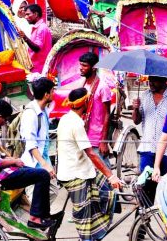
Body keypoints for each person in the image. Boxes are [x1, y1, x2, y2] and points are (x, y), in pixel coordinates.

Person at [0, 99, 52, 229]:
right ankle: (36, 217)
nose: (5, 123)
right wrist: (14, 161)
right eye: (5, 120)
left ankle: (40, 214)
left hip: (1, 172)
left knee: (34, 172)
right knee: (42, 175)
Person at [56, 87, 122, 241]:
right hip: (75, 175)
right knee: (85, 216)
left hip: (78, 169)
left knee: (105, 191)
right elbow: (91, 153)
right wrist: (111, 175)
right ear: (85, 102)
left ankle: (96, 230)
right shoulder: (75, 123)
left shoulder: (66, 118)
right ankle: (87, 237)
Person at [132, 75, 167, 175]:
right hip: (147, 148)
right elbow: (136, 121)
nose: (150, 83)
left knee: (165, 185)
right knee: (145, 185)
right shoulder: (144, 96)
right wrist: (135, 108)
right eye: (149, 80)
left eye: (154, 80)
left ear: (165, 80)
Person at [78, 51, 115, 158]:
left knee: (104, 170)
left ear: (94, 67)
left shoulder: (103, 87)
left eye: (84, 65)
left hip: (96, 138)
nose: (81, 68)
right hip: (83, 135)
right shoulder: (82, 85)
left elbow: (107, 114)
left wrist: (103, 141)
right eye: (80, 64)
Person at [20, 77, 56, 175]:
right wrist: (44, 164)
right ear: (46, 95)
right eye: (52, 91)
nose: (54, 94)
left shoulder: (43, 111)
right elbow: (30, 143)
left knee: (53, 190)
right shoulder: (31, 114)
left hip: (44, 161)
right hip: (35, 165)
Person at [24, 3, 52, 73]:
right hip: (35, 65)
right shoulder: (37, 27)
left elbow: (37, 48)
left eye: (28, 14)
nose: (26, 17)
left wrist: (25, 38)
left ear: (36, 14)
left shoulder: (41, 28)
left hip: (39, 68)